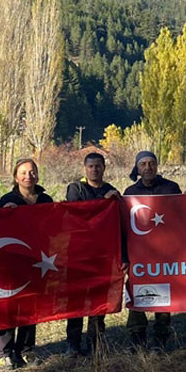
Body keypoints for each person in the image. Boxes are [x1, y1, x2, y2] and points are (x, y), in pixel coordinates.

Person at [0, 158, 54, 370]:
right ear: (15, 176)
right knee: (9, 306)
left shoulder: (46, 199)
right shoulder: (7, 200)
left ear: (37, 175)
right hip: (11, 262)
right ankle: (4, 351)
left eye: (32, 172)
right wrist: (3, 216)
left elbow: (55, 227)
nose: (28, 176)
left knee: (31, 306)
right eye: (23, 172)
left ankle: (26, 348)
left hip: (38, 261)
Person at [63, 152, 120, 357]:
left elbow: (118, 222)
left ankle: (96, 342)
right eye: (91, 166)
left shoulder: (111, 191)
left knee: (99, 301)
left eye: (98, 166)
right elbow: (77, 213)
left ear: (104, 168)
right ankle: (73, 344)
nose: (94, 170)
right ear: (84, 169)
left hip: (102, 255)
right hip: (78, 254)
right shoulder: (76, 188)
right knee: (77, 301)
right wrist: (103, 203)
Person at [123, 150, 181, 351]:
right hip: (138, 255)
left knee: (163, 296)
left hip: (165, 253)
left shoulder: (171, 188)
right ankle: (137, 339)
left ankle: (160, 339)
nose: (148, 168)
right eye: (143, 164)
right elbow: (125, 227)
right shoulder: (130, 193)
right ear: (137, 168)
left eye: (151, 163)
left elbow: (183, 216)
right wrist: (124, 257)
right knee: (136, 293)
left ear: (157, 166)